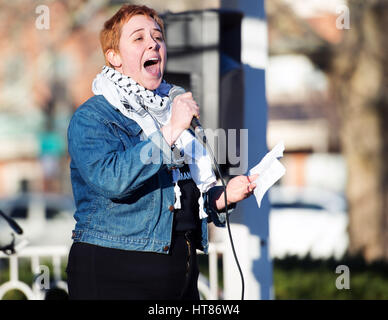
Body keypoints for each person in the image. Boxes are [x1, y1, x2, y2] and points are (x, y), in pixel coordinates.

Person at [66, 4, 258, 300]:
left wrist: (223, 197)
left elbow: (182, 191)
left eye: (157, 37)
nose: (153, 43)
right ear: (114, 57)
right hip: (115, 270)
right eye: (138, 38)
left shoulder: (171, 109)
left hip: (179, 269)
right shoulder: (93, 117)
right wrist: (169, 132)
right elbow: (112, 179)